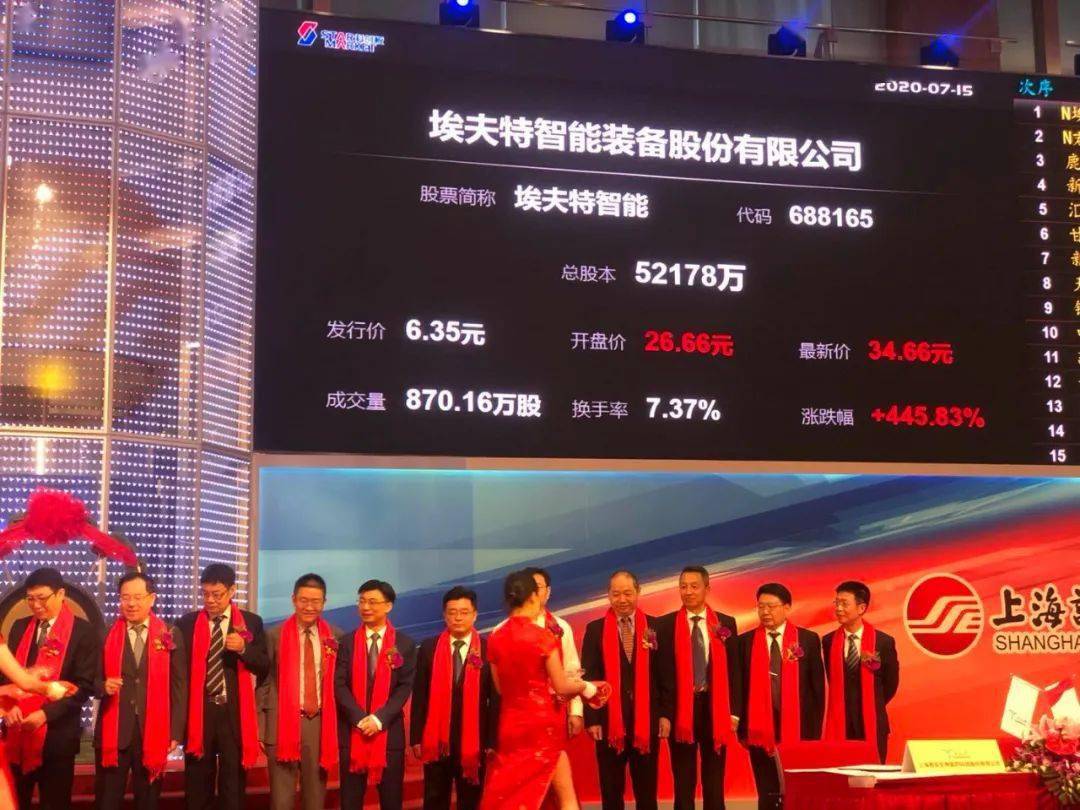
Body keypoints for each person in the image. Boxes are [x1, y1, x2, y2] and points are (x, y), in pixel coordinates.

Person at [480, 569, 610, 810]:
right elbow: (561, 685)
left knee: (512, 793)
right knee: (565, 794)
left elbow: (499, 688)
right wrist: (587, 687)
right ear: (532, 597)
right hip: (542, 725)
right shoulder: (543, 636)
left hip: (511, 725)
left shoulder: (496, 638)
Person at [1, 568, 97, 810]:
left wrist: (45, 715)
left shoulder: (83, 632)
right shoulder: (19, 627)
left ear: (60, 594)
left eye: (42, 598)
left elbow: (83, 687)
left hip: (57, 737)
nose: (36, 605)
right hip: (17, 731)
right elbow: (6, 677)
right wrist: (8, 707)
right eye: (30, 598)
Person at [178, 563, 269, 810]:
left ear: (232, 591)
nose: (210, 600)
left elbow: (264, 665)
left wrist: (243, 649)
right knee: (198, 784)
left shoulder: (251, 622)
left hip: (233, 714)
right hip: (199, 713)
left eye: (216, 594)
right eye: (205, 594)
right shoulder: (187, 623)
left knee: (233, 785)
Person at [94, 571, 187, 810]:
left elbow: (179, 687)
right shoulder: (106, 634)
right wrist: (102, 686)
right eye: (125, 597)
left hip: (153, 730)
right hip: (114, 730)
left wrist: (176, 730)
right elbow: (90, 680)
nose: (131, 604)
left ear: (152, 598)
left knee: (147, 801)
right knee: (106, 800)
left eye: (137, 597)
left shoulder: (170, 633)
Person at [656, 566, 739, 810]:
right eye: (683, 587)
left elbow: (735, 671)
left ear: (707, 588)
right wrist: (664, 713)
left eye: (694, 586)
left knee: (714, 778)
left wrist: (734, 712)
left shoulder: (725, 623)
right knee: (683, 779)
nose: (688, 592)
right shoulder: (665, 625)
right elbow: (659, 674)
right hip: (681, 709)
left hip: (715, 708)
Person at [735, 583, 825, 810]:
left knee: (799, 789)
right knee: (767, 789)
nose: (765, 612)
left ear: (787, 607)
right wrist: (742, 728)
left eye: (771, 606)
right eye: (761, 606)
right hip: (758, 726)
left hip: (799, 725)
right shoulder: (744, 642)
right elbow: (738, 688)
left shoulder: (808, 639)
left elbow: (816, 690)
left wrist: (813, 731)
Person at [580, 570, 663, 810]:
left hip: (646, 722)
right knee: (611, 791)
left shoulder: (655, 627)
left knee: (647, 793)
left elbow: (664, 676)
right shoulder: (595, 630)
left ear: (638, 592)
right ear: (608, 595)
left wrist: (664, 715)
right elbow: (589, 678)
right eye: (616, 594)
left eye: (627, 593)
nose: (622, 599)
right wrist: (592, 719)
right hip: (609, 724)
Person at [258, 573, 341, 810]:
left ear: (324, 602)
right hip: (281, 722)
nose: (309, 607)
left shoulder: (336, 636)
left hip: (319, 724)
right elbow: (264, 682)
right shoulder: (274, 635)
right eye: (304, 600)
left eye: (315, 601)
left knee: (315, 796)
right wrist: (261, 727)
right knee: (281, 799)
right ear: (294, 599)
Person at [410, 586, 496, 810]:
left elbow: (495, 698)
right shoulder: (429, 648)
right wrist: (416, 736)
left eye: (464, 612)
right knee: (435, 798)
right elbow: (420, 694)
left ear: (475, 615)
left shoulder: (488, 648)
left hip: (474, 739)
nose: (458, 617)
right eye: (452, 612)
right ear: (444, 615)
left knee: (471, 800)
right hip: (436, 738)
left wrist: (491, 740)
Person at [336, 580, 416, 810]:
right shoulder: (347, 642)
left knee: (391, 801)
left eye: (372, 602)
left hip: (389, 732)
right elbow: (339, 684)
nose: (365, 607)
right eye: (362, 601)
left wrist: (378, 719)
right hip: (353, 732)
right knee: (350, 801)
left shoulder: (405, 644)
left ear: (388, 606)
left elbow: (404, 687)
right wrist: (360, 719)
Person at [822, 581, 899, 763]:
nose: (839, 609)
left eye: (844, 604)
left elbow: (890, 684)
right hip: (840, 722)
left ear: (861, 608)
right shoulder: (828, 641)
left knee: (871, 774)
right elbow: (832, 678)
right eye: (836, 603)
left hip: (872, 722)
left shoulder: (883, 642)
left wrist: (871, 702)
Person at [523, 567, 585, 738]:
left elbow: (572, 670)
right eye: (528, 586)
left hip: (555, 709)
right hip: (522, 714)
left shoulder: (561, 627)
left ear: (548, 591)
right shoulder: (505, 630)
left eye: (538, 586)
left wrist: (575, 711)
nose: (533, 592)